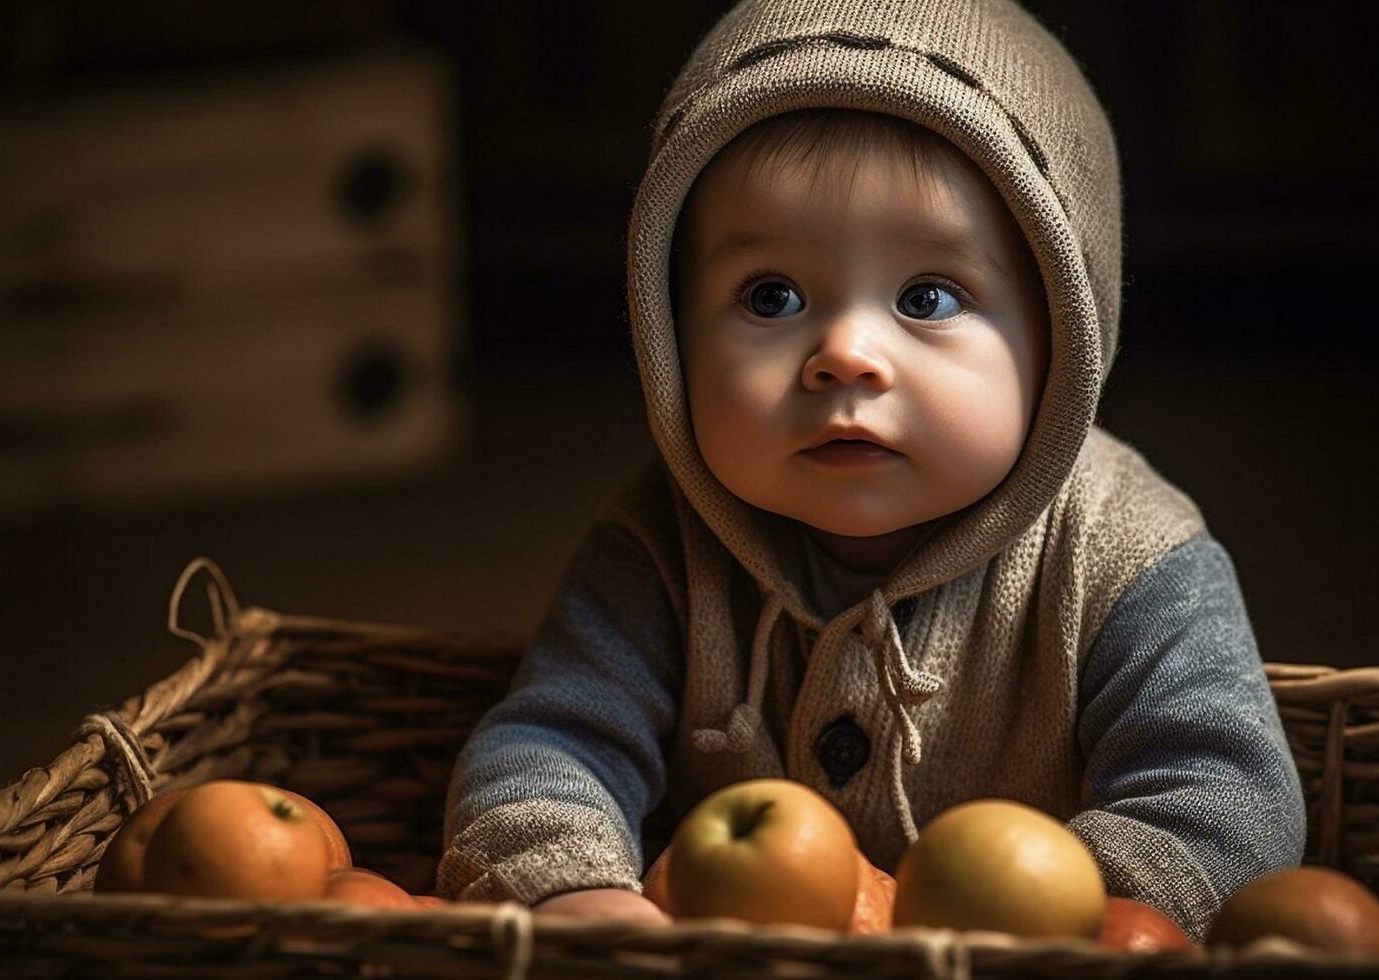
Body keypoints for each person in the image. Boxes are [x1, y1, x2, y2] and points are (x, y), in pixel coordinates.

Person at [438, 0, 1305, 940]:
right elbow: (550, 740)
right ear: (666, 334)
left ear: (1061, 341)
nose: (845, 354)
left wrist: (1048, 916)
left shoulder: (1128, 551)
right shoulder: (659, 538)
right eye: (771, 296)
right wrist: (570, 887)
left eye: (926, 296)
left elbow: (1225, 805)